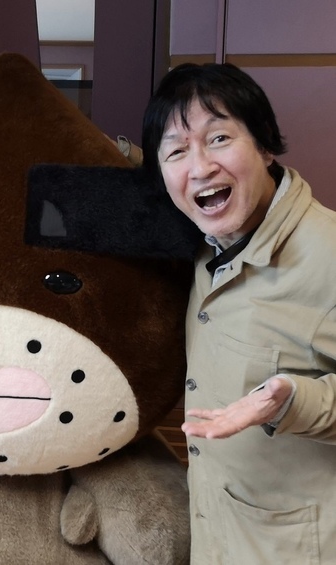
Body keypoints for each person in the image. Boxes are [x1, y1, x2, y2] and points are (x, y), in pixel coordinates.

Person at [141, 62, 336, 564]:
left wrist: (292, 401)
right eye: (176, 151)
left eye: (219, 138)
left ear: (265, 146)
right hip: (219, 535)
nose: (200, 167)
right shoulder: (204, 245)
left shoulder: (329, 254)